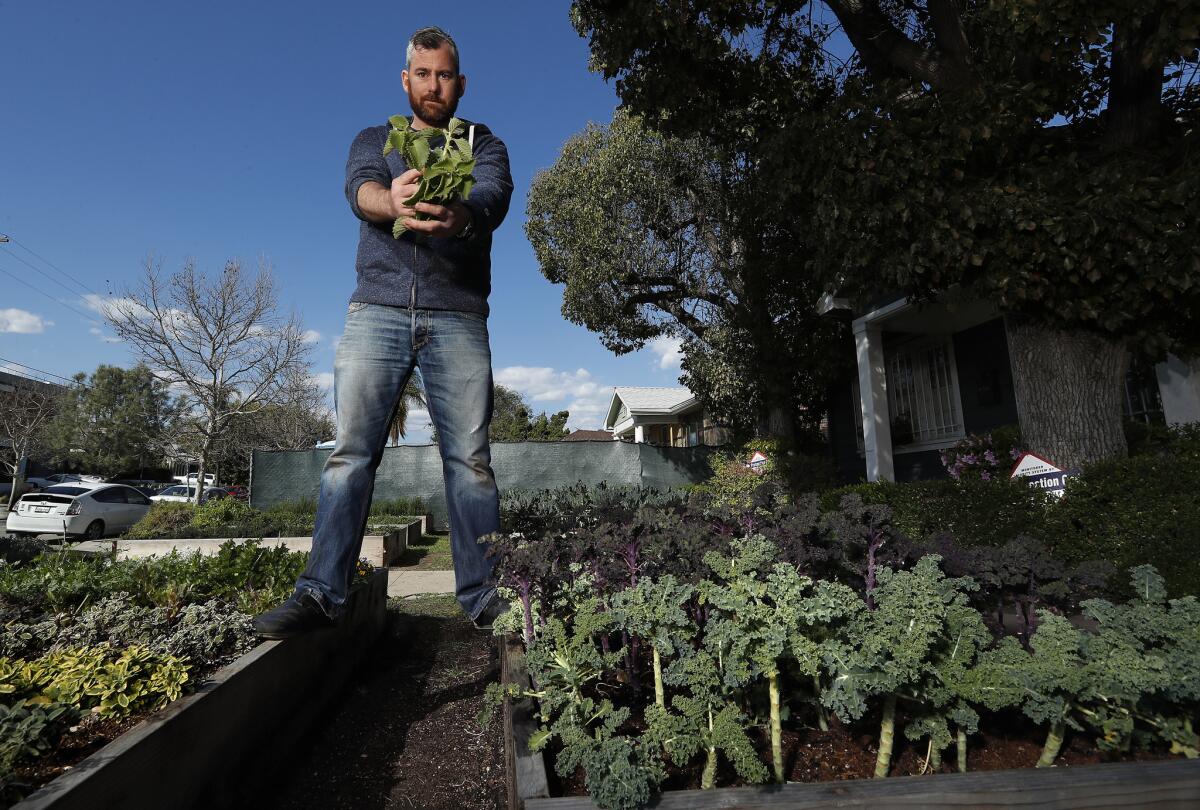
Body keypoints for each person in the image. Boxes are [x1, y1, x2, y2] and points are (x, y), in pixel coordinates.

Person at [254, 26, 513, 638]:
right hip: (377, 311)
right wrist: (391, 201)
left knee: (472, 462)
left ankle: (484, 596)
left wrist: (463, 215)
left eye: (444, 74)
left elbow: (494, 194)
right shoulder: (376, 139)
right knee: (348, 458)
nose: (433, 85)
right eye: (422, 74)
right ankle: (321, 593)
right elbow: (360, 190)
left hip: (458, 315)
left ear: (461, 82)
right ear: (406, 80)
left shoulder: (483, 141)